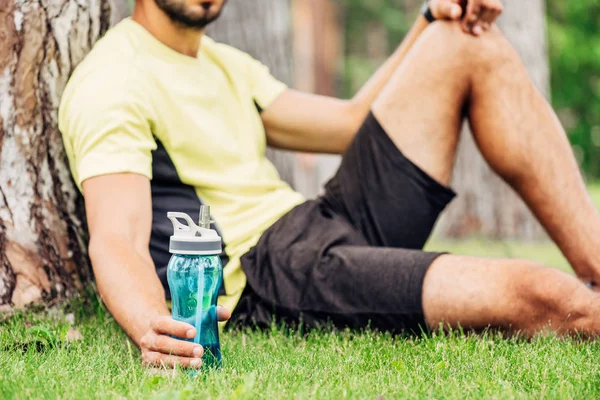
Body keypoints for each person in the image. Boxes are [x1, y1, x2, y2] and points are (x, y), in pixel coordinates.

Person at [58, 0, 600, 369]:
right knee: (544, 296)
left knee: (464, 40)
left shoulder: (222, 63)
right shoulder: (114, 79)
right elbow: (116, 237)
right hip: (273, 270)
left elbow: (349, 122)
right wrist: (158, 332)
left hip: (321, 220)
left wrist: (428, 17)